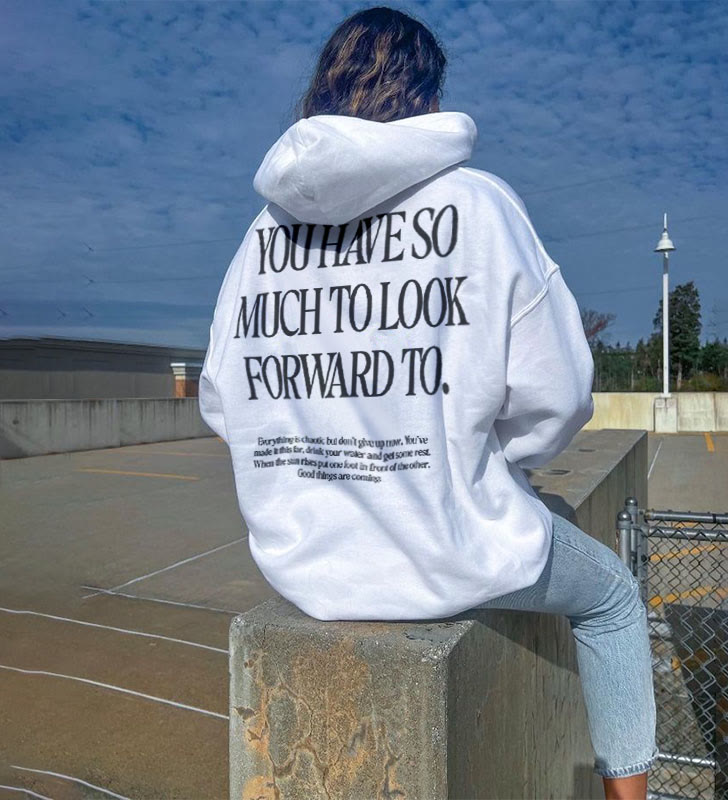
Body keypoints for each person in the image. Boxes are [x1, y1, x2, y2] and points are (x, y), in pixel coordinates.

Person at [199, 6, 656, 797]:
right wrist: (487, 460)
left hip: (304, 566)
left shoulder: (262, 233)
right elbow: (558, 397)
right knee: (614, 599)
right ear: (428, 95)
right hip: (448, 553)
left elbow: (221, 398)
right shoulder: (477, 204)